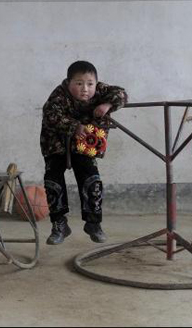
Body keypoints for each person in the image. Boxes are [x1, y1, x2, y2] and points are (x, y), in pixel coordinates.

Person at [40, 60, 127, 245]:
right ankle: (59, 224)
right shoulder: (58, 94)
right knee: (53, 180)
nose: (85, 89)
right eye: (79, 83)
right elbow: (51, 115)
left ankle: (93, 223)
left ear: (96, 83)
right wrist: (74, 126)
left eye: (90, 84)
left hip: (84, 146)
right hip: (56, 144)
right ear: (68, 82)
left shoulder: (101, 90)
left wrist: (108, 105)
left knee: (91, 178)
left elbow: (121, 94)